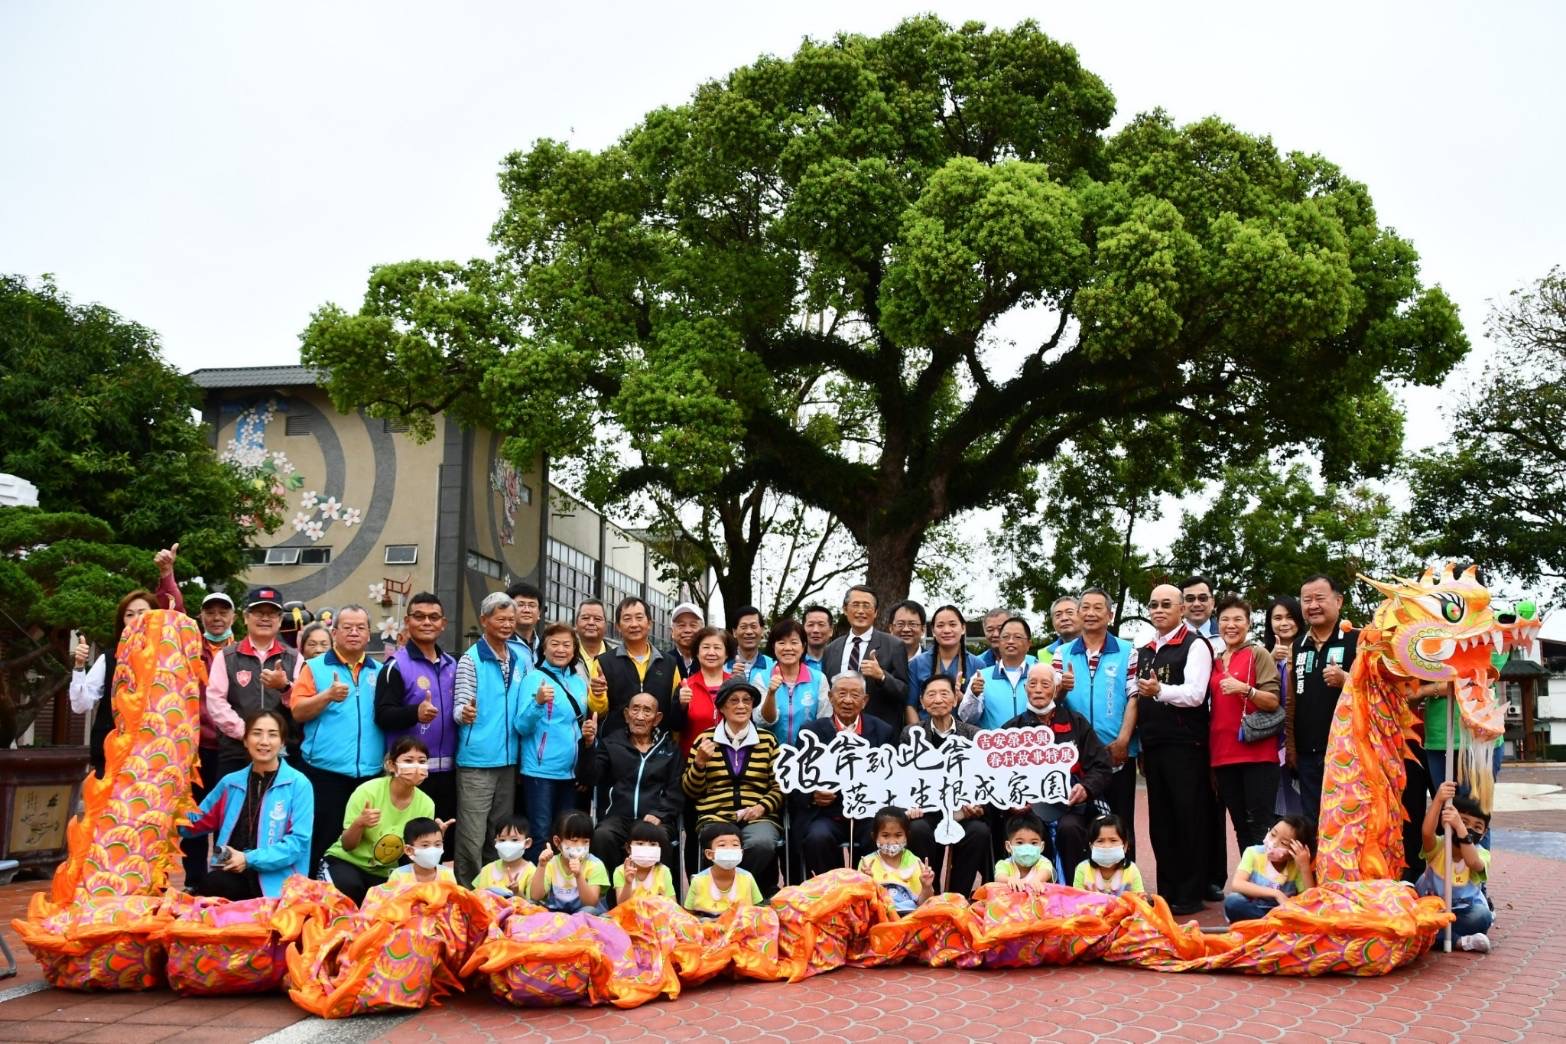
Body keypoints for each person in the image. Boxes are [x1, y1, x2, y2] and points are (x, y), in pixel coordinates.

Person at [1136, 583, 1216, 916]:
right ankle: (1168, 891)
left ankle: (1190, 892)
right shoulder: (1145, 649)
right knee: (1161, 822)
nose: (1158, 610)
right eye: (1153, 604)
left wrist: (1159, 691)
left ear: (1182, 609)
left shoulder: (1195, 645)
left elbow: (1196, 694)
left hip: (1185, 746)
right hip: (1153, 745)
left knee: (1188, 818)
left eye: (1166, 604)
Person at [286, 604, 384, 875]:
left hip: (370, 775)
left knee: (363, 842)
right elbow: (298, 711)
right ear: (335, 631)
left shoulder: (381, 670)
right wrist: (327, 695)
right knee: (321, 841)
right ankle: (312, 897)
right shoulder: (314, 667)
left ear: (368, 634)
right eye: (347, 627)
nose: (354, 633)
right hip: (324, 772)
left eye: (360, 627)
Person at [70, 542, 184, 775]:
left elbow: (176, 613)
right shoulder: (110, 658)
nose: (135, 619)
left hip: (155, 756)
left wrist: (166, 574)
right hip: (112, 756)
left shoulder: (167, 656)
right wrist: (79, 667)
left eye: (143, 613)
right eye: (129, 615)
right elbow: (81, 705)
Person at [181, 708, 313, 900]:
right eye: (256, 733)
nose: (264, 741)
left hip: (277, 882)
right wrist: (169, 806)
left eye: (273, 735)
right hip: (231, 874)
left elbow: (297, 844)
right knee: (212, 884)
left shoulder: (299, 784)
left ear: (282, 742)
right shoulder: (230, 783)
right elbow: (194, 824)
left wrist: (248, 859)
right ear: (245, 740)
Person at [1000, 663, 1112, 882]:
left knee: (1070, 829)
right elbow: (998, 777)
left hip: (1070, 807)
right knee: (1024, 832)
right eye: (1032, 684)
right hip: (1028, 810)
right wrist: (1011, 801)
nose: (1038, 690)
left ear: (1056, 688)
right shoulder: (1012, 729)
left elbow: (1101, 766)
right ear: (1025, 689)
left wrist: (1086, 787)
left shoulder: (1076, 722)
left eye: (1045, 684)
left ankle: (1071, 890)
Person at [1055, 588, 1140, 858]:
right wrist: (1063, 690)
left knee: (1120, 821)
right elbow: (1053, 703)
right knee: (1080, 823)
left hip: (1117, 750)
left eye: (1097, 608)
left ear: (1110, 614)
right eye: (1085, 607)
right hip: (1076, 755)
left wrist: (1125, 740)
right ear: (1079, 613)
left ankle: (1126, 887)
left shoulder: (1128, 651)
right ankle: (1084, 886)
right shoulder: (1062, 653)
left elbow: (1134, 697)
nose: (1090, 613)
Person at [452, 591, 529, 886]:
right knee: (471, 834)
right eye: (500, 618)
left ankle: (494, 889)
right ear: (484, 620)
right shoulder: (471, 660)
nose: (507, 624)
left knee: (499, 833)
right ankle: (468, 890)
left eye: (511, 619)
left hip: (509, 760)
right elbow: (460, 705)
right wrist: (465, 713)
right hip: (477, 760)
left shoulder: (520, 659)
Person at [682, 678, 784, 887]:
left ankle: (736, 891)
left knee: (761, 843)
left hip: (758, 817)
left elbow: (780, 786)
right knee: (722, 849)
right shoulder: (704, 740)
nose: (741, 705)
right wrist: (699, 764)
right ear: (721, 707)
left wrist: (762, 807)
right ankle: (727, 894)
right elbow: (691, 791)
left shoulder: (768, 740)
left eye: (747, 700)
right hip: (716, 816)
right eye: (734, 701)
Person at [794, 672, 896, 876]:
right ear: (831, 697)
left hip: (868, 813)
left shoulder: (882, 731)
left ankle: (869, 894)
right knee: (817, 837)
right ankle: (831, 893)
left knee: (879, 835)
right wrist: (813, 795)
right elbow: (796, 780)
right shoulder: (811, 732)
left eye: (855, 695)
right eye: (841, 693)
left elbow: (894, 779)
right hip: (827, 814)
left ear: (865, 700)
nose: (847, 700)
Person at [899, 675, 990, 897]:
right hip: (928, 811)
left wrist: (979, 805)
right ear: (921, 701)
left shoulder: (973, 734)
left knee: (979, 831)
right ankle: (930, 894)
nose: (938, 699)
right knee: (918, 830)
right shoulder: (911, 734)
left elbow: (985, 779)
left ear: (955, 700)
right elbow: (902, 777)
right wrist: (909, 805)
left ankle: (958, 896)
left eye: (944, 693)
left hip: (961, 812)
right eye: (931, 694)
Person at [321, 737, 438, 906]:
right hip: (348, 862)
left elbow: (414, 855)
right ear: (391, 765)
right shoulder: (367, 792)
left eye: (422, 761)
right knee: (349, 887)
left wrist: (433, 840)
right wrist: (360, 823)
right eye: (408, 760)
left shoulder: (426, 804)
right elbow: (348, 845)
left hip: (386, 871)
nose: (416, 767)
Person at [374, 592, 458, 825]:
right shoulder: (396, 666)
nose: (427, 622)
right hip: (409, 772)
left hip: (449, 772)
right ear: (407, 622)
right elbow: (383, 715)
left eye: (433, 617)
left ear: (443, 624)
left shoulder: (453, 665)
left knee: (443, 839)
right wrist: (414, 713)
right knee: (411, 840)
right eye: (419, 616)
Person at [1209, 595, 1283, 854]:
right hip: (1222, 755)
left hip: (1257, 754)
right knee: (1240, 825)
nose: (1231, 625)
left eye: (1238, 619)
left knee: (1261, 826)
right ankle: (1250, 884)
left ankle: (1269, 886)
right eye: (1225, 619)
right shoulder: (1215, 660)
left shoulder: (1257, 653)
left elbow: (1273, 701)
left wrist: (1246, 690)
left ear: (1249, 623)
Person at [578, 691, 683, 872]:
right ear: (626, 715)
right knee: (602, 835)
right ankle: (608, 896)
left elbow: (676, 789)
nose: (640, 716)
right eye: (635, 709)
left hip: (654, 818)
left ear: (657, 719)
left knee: (660, 837)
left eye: (647, 711)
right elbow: (589, 777)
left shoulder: (670, 750)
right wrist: (588, 744)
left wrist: (660, 814)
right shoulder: (611, 743)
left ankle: (661, 897)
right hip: (617, 817)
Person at [208, 587, 302, 779]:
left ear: (280, 619)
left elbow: (302, 704)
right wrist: (248, 734)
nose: (265, 618)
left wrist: (285, 687)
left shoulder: (294, 658)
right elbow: (215, 701)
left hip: (281, 751)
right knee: (234, 807)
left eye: (271, 614)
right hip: (236, 751)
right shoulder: (226, 656)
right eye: (259, 613)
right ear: (245, 617)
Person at [515, 622, 591, 861]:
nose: (561, 650)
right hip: (540, 771)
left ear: (574, 650)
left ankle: (562, 889)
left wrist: (589, 731)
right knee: (540, 835)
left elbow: (576, 724)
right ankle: (538, 891)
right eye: (554, 644)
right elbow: (521, 725)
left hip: (569, 773)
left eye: (567, 645)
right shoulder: (533, 678)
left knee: (566, 835)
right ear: (544, 649)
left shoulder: (579, 682)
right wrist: (537, 703)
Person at [1288, 574, 1358, 823]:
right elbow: (1292, 700)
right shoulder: (1298, 645)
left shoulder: (1358, 639)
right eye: (1306, 600)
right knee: (1312, 819)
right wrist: (1292, 747)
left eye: (1320, 598)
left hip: (1347, 751)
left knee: (1344, 819)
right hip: (1307, 752)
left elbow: (1376, 690)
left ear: (1338, 601)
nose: (1312, 605)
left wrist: (1346, 680)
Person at [183, 590, 235, 889]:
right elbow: (172, 606)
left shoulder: (240, 650)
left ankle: (221, 878)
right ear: (201, 615)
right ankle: (194, 878)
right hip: (195, 749)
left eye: (223, 612)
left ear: (233, 616)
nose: (217, 618)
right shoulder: (189, 648)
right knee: (194, 814)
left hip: (231, 746)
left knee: (228, 813)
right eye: (210, 612)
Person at [1180, 575, 1227, 901]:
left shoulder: (1227, 636)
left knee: (1215, 806)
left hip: (1221, 730)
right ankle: (1190, 875)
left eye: (1203, 598)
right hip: (1185, 735)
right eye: (1191, 598)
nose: (1197, 603)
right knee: (1189, 807)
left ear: (1212, 602)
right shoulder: (1172, 638)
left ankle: (1215, 877)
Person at [820, 585, 912, 731]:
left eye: (866, 606)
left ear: (875, 612)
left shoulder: (894, 646)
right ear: (845, 609)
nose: (861, 611)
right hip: (837, 731)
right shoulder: (831, 649)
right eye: (855, 605)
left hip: (878, 732)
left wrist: (882, 676)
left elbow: (904, 692)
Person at [1416, 782, 1493, 952]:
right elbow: (1427, 833)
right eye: (1464, 821)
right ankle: (1460, 941)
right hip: (1431, 910)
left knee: (1481, 916)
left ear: (1485, 833)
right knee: (1415, 919)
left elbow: (1474, 863)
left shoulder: (1481, 854)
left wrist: (1460, 827)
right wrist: (1438, 801)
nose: (1469, 828)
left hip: (1462, 914)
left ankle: (1437, 938)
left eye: (1477, 827)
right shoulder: (1440, 847)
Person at [600, 596, 683, 737]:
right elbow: (599, 710)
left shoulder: (669, 663)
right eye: (627, 619)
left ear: (649, 623)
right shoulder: (604, 662)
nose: (634, 624)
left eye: (639, 618)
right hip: (616, 746)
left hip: (658, 746)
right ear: (618, 626)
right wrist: (596, 695)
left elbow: (674, 709)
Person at [1222, 815, 1316, 923]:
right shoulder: (1253, 853)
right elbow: (1237, 884)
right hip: (1253, 909)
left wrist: (1304, 867)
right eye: (1273, 834)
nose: (1274, 843)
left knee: (1303, 914)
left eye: (1284, 843)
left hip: (1282, 913)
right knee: (1233, 902)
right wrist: (1276, 893)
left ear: (1295, 851)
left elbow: (1310, 901)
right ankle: (1271, 926)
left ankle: (1271, 926)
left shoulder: (1296, 865)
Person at [1264, 595, 1306, 816]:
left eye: (1290, 617)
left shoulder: (1310, 651)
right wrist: (1271, 659)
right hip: (1273, 739)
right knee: (1279, 803)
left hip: (1304, 736)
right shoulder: (1262, 654)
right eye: (1277, 618)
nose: (1284, 623)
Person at [959, 616, 1036, 730]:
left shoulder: (1039, 674)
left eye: (1017, 637)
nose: (1010, 641)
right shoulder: (981, 677)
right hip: (995, 745)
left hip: (1032, 744)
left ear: (1029, 643)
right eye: (1005, 637)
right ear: (999, 642)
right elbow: (966, 718)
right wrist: (974, 695)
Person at [907, 605, 985, 718]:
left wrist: (962, 698)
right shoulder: (917, 663)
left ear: (963, 628)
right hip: (926, 732)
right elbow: (910, 706)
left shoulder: (977, 665)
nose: (947, 630)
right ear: (933, 631)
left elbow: (982, 708)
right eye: (940, 625)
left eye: (953, 624)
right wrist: (919, 733)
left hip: (964, 733)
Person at [758, 618, 825, 743]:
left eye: (794, 642)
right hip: (770, 754)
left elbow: (824, 720)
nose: (788, 648)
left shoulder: (818, 679)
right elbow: (764, 721)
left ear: (804, 646)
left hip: (808, 754)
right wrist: (771, 693)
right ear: (774, 646)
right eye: (782, 643)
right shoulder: (762, 678)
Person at [529, 810, 609, 914]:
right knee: (531, 904)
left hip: (584, 918)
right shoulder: (551, 863)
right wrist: (541, 866)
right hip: (556, 915)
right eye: (574, 840)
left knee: (589, 911)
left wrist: (579, 876)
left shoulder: (595, 865)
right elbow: (535, 896)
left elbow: (591, 904)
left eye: (585, 841)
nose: (580, 846)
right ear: (557, 841)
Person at [859, 807, 934, 912]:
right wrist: (867, 883)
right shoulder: (866, 863)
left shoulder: (914, 862)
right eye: (885, 835)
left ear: (907, 836)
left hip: (908, 918)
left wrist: (927, 887)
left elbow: (923, 904)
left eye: (898, 835)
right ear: (874, 836)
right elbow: (862, 905)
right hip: (879, 916)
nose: (892, 841)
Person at [685, 821, 763, 917]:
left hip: (741, 928)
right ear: (709, 854)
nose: (730, 849)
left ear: (741, 852)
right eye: (722, 845)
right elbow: (688, 914)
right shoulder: (698, 880)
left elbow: (757, 910)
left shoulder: (747, 877)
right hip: (709, 928)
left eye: (735, 845)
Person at [676, 626, 732, 757]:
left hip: (730, 763)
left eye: (717, 648)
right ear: (697, 652)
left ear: (727, 654)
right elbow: (675, 725)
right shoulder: (685, 686)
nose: (711, 652)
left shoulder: (736, 686)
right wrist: (681, 705)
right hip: (692, 761)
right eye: (706, 647)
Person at [1073, 814, 1146, 896]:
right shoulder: (1082, 870)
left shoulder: (1132, 870)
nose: (1107, 846)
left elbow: (1140, 903)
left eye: (1113, 840)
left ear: (1125, 846)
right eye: (1100, 841)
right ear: (1091, 846)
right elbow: (1076, 903)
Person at [612, 820, 678, 904]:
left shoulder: (663, 871)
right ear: (628, 848)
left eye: (653, 844)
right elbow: (621, 906)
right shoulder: (621, 871)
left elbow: (673, 906)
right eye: (640, 844)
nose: (647, 848)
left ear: (659, 849)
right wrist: (628, 883)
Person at [472, 814, 536, 895]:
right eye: (502, 840)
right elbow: (476, 898)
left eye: (514, 839)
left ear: (527, 843)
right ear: (496, 843)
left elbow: (533, 905)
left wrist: (517, 892)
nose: (507, 844)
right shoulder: (487, 870)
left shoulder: (531, 872)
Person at [574, 599, 615, 717]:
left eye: (597, 619)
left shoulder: (617, 659)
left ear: (606, 625)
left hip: (609, 730)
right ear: (576, 623)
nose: (591, 623)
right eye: (585, 618)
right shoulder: (565, 658)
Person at [388, 817, 457, 885]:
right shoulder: (399, 875)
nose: (432, 850)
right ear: (409, 850)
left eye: (437, 844)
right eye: (425, 845)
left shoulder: (447, 874)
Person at [994, 812, 1053, 889]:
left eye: (1033, 843)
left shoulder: (1043, 863)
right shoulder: (1004, 864)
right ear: (1008, 846)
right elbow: (999, 877)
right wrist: (1009, 879)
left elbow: (1046, 871)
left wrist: (1037, 880)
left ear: (1041, 847)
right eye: (1020, 842)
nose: (1027, 847)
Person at [729, 606, 773, 680]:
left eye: (753, 626)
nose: (749, 632)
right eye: (743, 627)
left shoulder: (773, 666)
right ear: (734, 632)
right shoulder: (723, 665)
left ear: (762, 630)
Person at [507, 581, 544, 662]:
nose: (527, 610)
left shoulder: (545, 646)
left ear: (539, 613)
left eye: (532, 605)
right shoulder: (499, 644)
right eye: (520, 604)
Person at [668, 601, 704, 680]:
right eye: (681, 625)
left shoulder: (710, 661)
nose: (687, 630)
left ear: (702, 631)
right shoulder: (662, 662)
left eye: (693, 625)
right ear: (672, 632)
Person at [801, 605, 834, 672]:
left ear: (831, 631)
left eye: (821, 624)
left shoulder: (841, 660)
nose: (815, 630)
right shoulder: (792, 660)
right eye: (810, 625)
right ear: (802, 629)